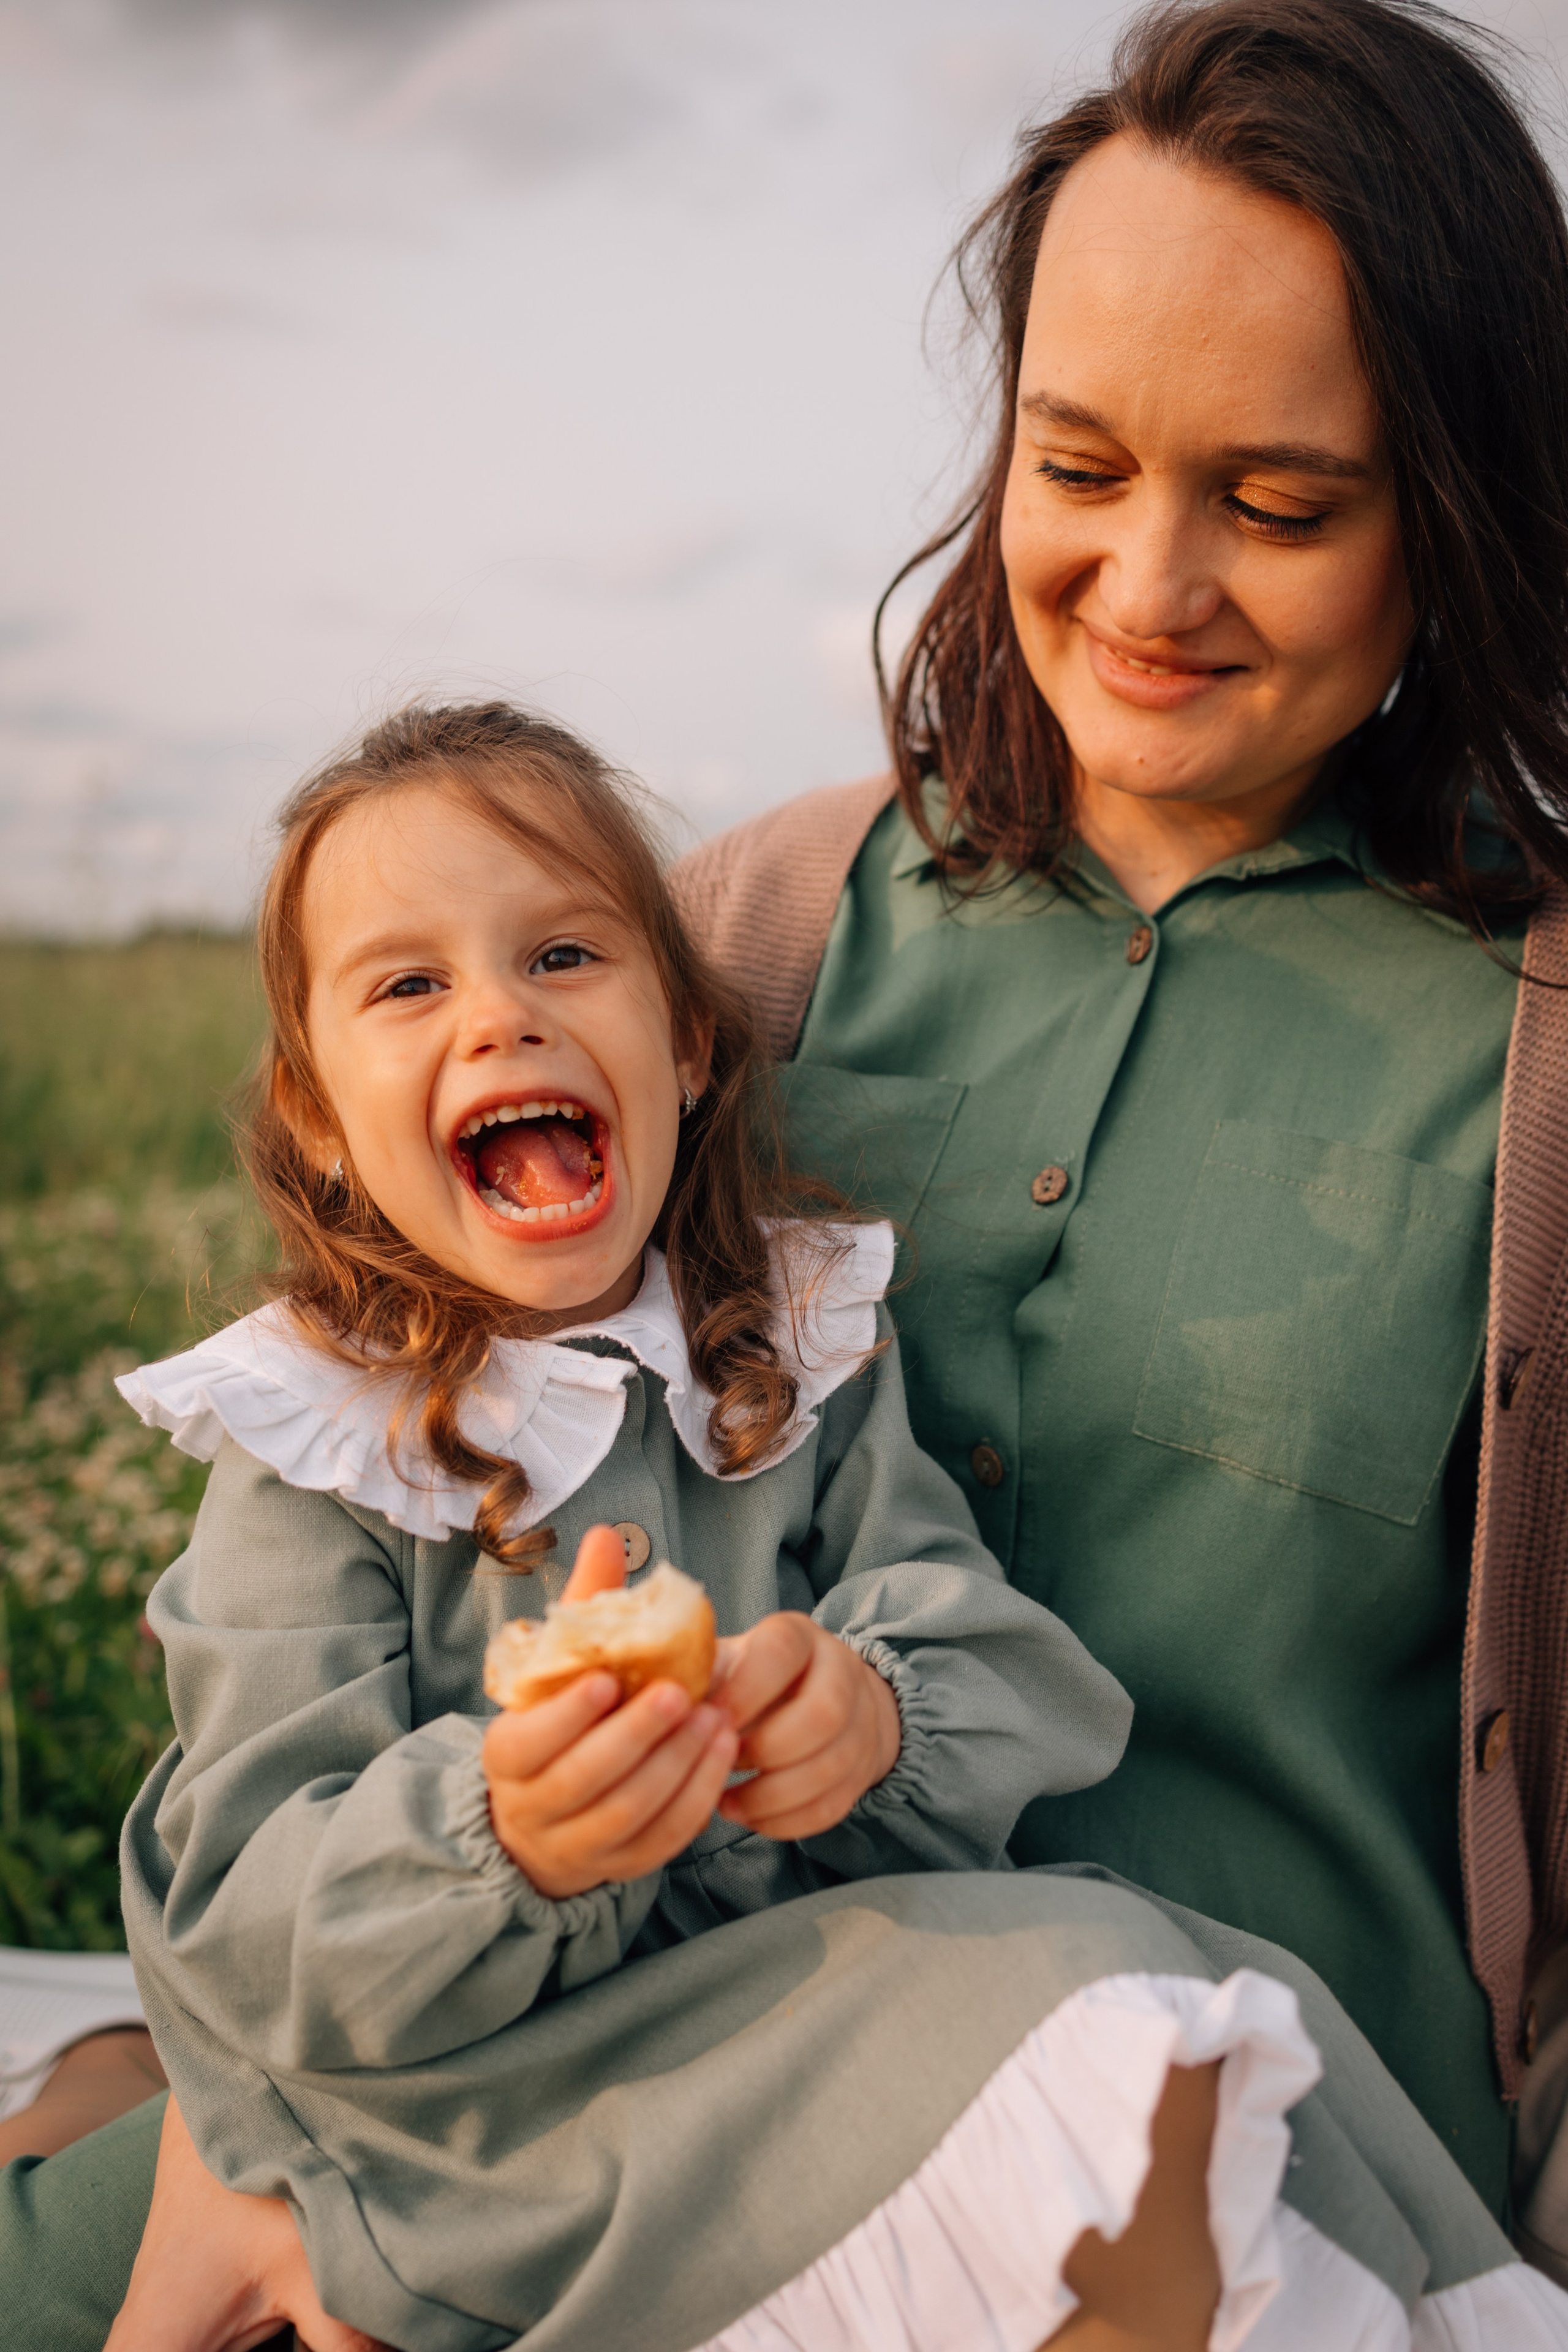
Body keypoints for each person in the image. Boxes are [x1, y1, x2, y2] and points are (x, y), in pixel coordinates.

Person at [9, 695, 1568, 2352]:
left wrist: (870, 1714)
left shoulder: (789, 1355)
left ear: (687, 1045)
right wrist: (506, 1831)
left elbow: (958, 1625)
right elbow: (252, 1906)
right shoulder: (324, 1437)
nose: (500, 1022)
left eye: (562, 958)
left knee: (1127, 1985)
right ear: (324, 1118)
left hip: (748, 2039)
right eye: (409, 985)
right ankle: (79, 2115)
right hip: (459, 2102)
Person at [668, 0, 1568, 2288]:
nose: (1149, 589)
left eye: (1278, 503)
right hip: (711, 2168)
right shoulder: (728, 954)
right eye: (1077, 468)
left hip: (1304, 2228)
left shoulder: (1541, 1055)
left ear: (1456, 509)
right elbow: (384, 1582)